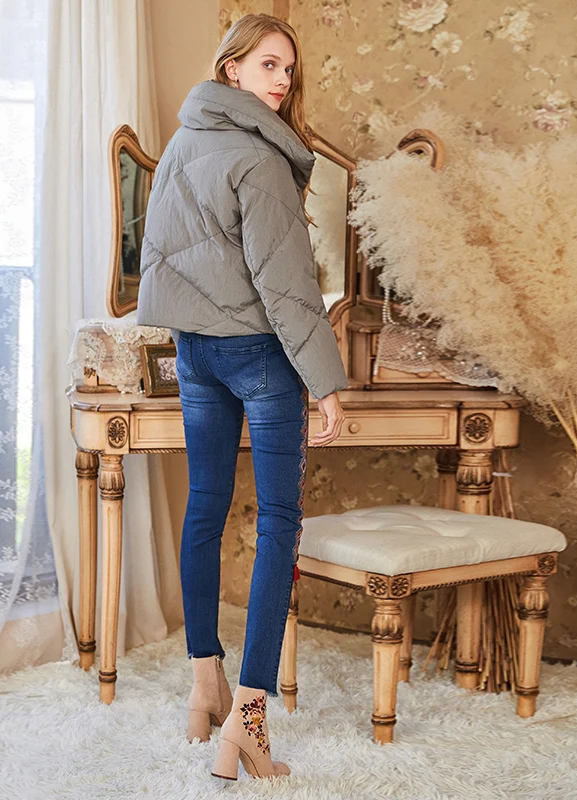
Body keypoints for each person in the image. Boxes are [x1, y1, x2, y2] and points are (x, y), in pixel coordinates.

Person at [136, 13, 348, 781]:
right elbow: (287, 289)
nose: (282, 80)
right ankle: (248, 721)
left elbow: (160, 260)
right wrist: (326, 383)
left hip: (194, 354)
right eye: (268, 65)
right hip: (260, 356)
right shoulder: (260, 158)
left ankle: (205, 689)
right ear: (232, 69)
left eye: (289, 68)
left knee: (205, 507)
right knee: (279, 522)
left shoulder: (182, 144)